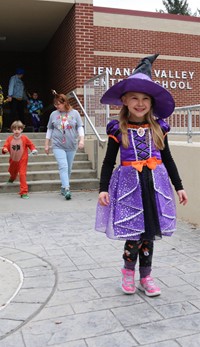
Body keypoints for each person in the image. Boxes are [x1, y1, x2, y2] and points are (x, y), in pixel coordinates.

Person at [95, 54, 188, 297]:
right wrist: (103, 188)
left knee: (149, 236)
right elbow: (107, 161)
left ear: (151, 102)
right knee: (134, 236)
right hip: (130, 189)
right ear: (124, 100)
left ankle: (146, 277)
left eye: (145, 98)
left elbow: (167, 160)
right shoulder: (118, 130)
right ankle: (128, 274)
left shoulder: (159, 128)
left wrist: (179, 186)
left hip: (154, 187)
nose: (139, 103)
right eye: (134, 98)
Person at [45, 92, 84, 200]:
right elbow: (50, 129)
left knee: (69, 168)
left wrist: (82, 140)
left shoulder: (75, 113)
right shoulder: (53, 114)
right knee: (63, 166)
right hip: (57, 145)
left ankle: (63, 187)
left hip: (71, 145)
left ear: (65, 102)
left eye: (59, 104)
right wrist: (47, 144)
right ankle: (67, 188)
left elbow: (80, 127)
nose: (57, 106)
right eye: (55, 104)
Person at [2, 120, 38, 199]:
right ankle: (12, 177)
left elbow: (31, 145)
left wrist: (33, 150)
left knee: (22, 174)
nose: (17, 131)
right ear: (12, 130)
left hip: (23, 159)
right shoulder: (9, 138)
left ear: (22, 129)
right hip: (13, 159)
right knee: (12, 170)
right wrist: (4, 149)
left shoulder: (24, 138)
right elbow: (6, 145)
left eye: (19, 129)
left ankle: (24, 192)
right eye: (14, 129)